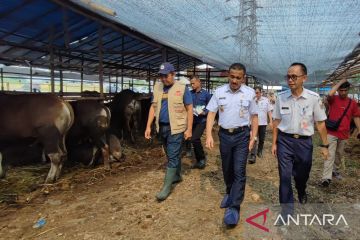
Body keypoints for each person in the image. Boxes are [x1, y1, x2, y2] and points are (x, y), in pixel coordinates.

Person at [271, 62, 329, 218]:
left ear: (304, 78)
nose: (290, 80)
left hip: (304, 143)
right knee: (284, 176)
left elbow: (321, 123)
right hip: (285, 141)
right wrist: (274, 142)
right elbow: (276, 121)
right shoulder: (281, 98)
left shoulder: (313, 98)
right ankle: (286, 211)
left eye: (294, 76)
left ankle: (301, 189)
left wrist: (325, 145)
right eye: (288, 76)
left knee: (301, 174)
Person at [205, 63, 258, 226]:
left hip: (242, 135)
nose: (234, 80)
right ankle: (229, 192)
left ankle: (234, 207)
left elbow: (255, 116)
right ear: (228, 75)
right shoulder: (219, 91)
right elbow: (211, 113)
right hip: (224, 135)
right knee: (227, 168)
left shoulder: (250, 94)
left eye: (238, 78)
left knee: (239, 170)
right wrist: (208, 135)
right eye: (232, 77)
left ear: (244, 78)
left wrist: (253, 137)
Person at [145, 62, 193, 201]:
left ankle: (166, 188)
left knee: (172, 155)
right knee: (170, 153)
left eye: (166, 76)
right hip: (162, 127)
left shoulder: (182, 88)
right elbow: (153, 108)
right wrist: (148, 126)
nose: (163, 79)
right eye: (161, 76)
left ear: (173, 74)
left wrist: (189, 129)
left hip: (176, 127)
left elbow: (189, 109)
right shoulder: (158, 87)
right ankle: (177, 175)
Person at [320, 79, 360, 187]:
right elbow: (330, 93)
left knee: (339, 154)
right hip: (331, 132)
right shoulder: (333, 99)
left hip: (344, 134)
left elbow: (356, 116)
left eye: (345, 90)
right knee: (330, 154)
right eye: (341, 90)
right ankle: (326, 178)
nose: (343, 92)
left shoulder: (352, 103)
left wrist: (359, 129)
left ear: (348, 90)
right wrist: (339, 83)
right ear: (338, 90)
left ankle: (334, 170)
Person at [189, 75, 212, 169]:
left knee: (195, 138)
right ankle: (198, 159)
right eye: (191, 83)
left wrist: (204, 112)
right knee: (192, 138)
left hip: (201, 120)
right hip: (192, 120)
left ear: (199, 82)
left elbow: (211, 107)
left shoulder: (206, 94)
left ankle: (201, 159)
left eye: (193, 83)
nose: (192, 85)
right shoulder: (190, 93)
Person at [248, 86, 273, 163]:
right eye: (255, 93)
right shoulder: (251, 100)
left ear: (261, 93)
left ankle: (260, 151)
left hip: (263, 123)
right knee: (254, 138)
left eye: (257, 93)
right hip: (253, 123)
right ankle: (253, 155)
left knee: (261, 139)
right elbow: (249, 113)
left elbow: (269, 111)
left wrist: (271, 121)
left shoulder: (266, 100)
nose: (256, 94)